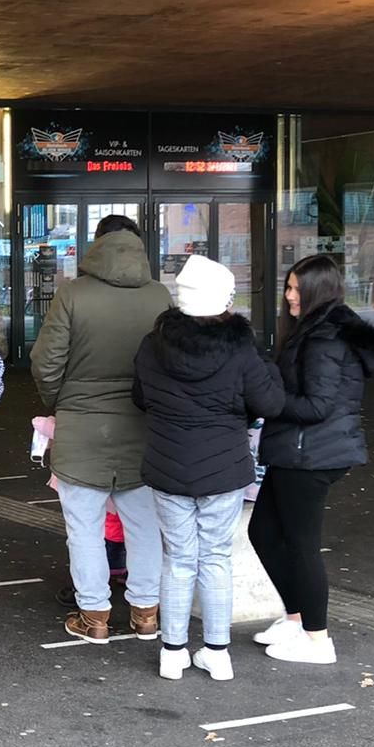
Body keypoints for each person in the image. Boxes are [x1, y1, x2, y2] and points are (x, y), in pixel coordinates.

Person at [132, 255, 284, 682]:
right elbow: (270, 404)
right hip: (224, 470)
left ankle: (172, 653)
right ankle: (217, 652)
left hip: (166, 467)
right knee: (215, 558)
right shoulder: (240, 350)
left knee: (178, 559)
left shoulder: (151, 345)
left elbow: (140, 398)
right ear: (225, 301)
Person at [249, 255, 374, 665]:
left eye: (296, 289)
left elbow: (316, 405)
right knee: (264, 533)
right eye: (288, 287)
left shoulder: (324, 337)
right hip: (301, 450)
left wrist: (269, 398)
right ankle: (296, 618)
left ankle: (318, 639)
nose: (289, 296)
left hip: (311, 453)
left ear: (318, 291)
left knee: (301, 545)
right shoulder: (317, 329)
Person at [31, 214, 169, 644]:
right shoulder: (160, 295)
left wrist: (62, 401)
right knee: (145, 525)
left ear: (96, 244)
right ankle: (146, 613)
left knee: (84, 527)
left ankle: (94, 617)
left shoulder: (73, 295)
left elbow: (45, 362)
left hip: (82, 428)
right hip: (143, 428)